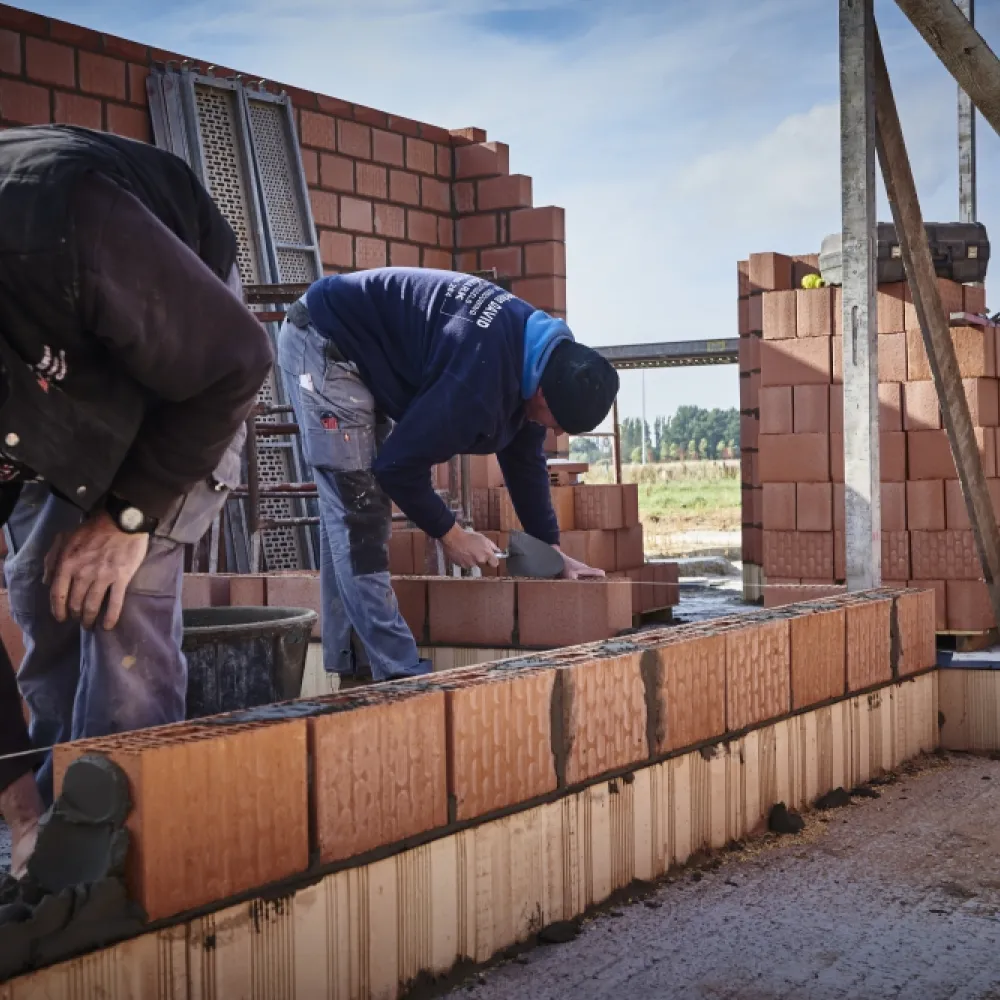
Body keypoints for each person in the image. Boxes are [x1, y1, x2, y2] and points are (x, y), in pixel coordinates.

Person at [0, 124, 272, 873]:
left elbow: (237, 364)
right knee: (36, 586)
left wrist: (128, 516)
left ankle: (130, 854)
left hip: (186, 335)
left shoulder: (57, 223)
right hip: (61, 346)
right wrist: (18, 808)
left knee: (123, 600)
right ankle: (57, 828)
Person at [277, 268, 620, 688]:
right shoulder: (476, 381)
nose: (556, 432)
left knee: (350, 511)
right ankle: (401, 676)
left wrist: (552, 553)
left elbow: (525, 461)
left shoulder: (541, 356)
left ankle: (355, 664)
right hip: (324, 343)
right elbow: (397, 468)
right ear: (544, 394)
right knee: (359, 510)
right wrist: (453, 535)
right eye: (557, 422)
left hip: (364, 348)